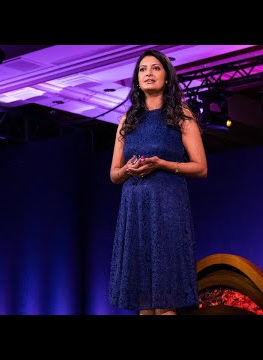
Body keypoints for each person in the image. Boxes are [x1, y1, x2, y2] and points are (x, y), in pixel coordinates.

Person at [108, 50, 207, 315]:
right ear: (137, 80)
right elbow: (114, 175)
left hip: (167, 206)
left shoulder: (180, 115)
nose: (148, 73)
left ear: (167, 77)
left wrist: (163, 164)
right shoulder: (126, 121)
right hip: (135, 208)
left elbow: (200, 167)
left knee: (164, 301)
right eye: (142, 69)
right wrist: (128, 169)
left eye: (155, 68)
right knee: (144, 303)